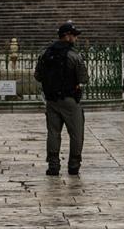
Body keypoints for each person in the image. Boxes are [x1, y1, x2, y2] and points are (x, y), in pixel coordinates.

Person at [34, 21, 88, 175]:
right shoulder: (74, 55)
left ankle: (53, 165)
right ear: (67, 36)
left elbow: (38, 76)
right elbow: (84, 78)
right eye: (74, 35)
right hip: (70, 99)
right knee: (76, 133)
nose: (76, 38)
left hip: (51, 99)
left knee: (53, 132)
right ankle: (73, 164)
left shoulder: (45, 53)